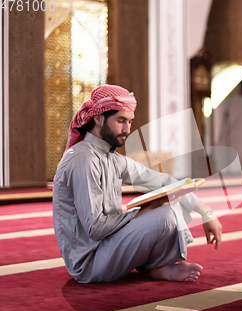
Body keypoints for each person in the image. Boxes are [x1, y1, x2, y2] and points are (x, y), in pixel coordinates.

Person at [53, 84, 222, 283]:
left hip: (109, 245)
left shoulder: (110, 158)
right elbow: (95, 229)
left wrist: (206, 212)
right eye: (121, 121)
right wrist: (143, 211)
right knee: (164, 215)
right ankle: (159, 265)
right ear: (98, 118)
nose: (127, 129)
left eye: (130, 122)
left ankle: (157, 267)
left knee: (169, 202)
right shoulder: (83, 159)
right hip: (90, 260)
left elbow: (165, 181)